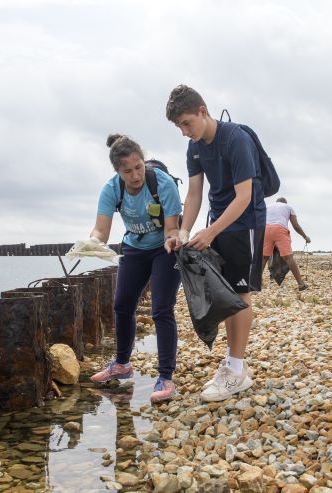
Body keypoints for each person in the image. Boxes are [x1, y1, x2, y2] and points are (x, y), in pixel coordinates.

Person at [165, 84, 265, 402]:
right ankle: (233, 365)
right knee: (223, 291)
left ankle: (236, 369)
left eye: (186, 123)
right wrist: (183, 232)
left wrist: (210, 233)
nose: (183, 131)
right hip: (219, 221)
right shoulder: (194, 148)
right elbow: (194, 194)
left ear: (202, 112)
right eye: (179, 126)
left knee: (241, 292)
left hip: (246, 221)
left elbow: (245, 196)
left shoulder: (236, 138)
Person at [88, 134, 182, 403]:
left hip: (165, 247)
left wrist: (172, 240)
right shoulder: (111, 189)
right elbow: (101, 231)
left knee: (161, 309)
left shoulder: (161, 183)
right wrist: (91, 242)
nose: (136, 175)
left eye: (139, 167)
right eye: (127, 171)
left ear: (143, 162)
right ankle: (121, 364)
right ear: (117, 171)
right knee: (121, 305)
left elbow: (172, 228)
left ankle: (165, 376)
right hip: (134, 247)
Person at [262, 197, 311, 290]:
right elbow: (295, 226)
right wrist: (305, 236)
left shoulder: (267, 207)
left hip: (266, 229)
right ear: (285, 203)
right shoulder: (288, 207)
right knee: (288, 257)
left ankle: (256, 284)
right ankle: (301, 284)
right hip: (280, 230)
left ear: (277, 202)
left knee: (264, 257)